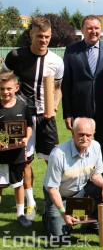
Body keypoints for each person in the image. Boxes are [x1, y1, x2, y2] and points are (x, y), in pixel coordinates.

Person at [2, 16, 64, 221]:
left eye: (46, 36)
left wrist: (54, 106)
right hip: (22, 118)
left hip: (47, 119)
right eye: (39, 36)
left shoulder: (56, 61)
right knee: (25, 162)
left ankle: (54, 202)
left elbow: (57, 88)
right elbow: (4, 79)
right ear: (31, 34)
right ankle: (30, 203)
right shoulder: (15, 56)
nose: (43, 40)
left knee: (53, 160)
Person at [62, 15, 103, 187]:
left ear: (101, 30)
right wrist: (67, 113)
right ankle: (81, 191)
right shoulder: (71, 51)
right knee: (81, 151)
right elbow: (67, 84)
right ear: (82, 30)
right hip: (80, 112)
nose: (93, 31)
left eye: (96, 28)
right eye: (89, 28)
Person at [42, 117, 103, 240]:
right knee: (60, 239)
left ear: (93, 134)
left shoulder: (96, 147)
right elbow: (53, 189)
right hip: (59, 194)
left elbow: (96, 175)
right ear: (73, 133)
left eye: (88, 135)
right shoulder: (58, 154)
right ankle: (48, 215)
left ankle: (93, 222)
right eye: (81, 134)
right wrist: (64, 213)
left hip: (80, 191)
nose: (85, 139)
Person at [0, 71, 33, 227]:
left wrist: (26, 138)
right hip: (1, 156)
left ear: (16, 88)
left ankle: (21, 214)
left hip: (18, 154)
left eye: (8, 88)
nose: (5, 92)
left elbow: (30, 126)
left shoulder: (23, 105)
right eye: (2, 89)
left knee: (18, 184)